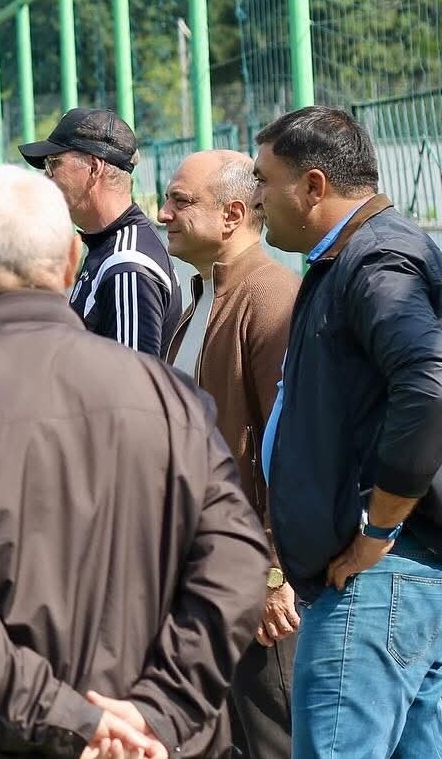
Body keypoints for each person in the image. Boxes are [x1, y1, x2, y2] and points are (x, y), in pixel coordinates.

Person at [0, 165, 270, 759]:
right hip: (153, 742)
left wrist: (72, 718)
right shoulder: (169, 396)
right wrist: (157, 711)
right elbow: (236, 562)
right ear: (68, 265)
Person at [254, 105, 442, 758]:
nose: (256, 198)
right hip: (394, 581)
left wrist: (378, 530)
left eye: (264, 179)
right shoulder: (352, 256)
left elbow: (428, 381)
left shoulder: (377, 257)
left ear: (313, 185)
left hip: (375, 582)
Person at [157, 150, 301, 759]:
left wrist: (273, 573)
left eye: (181, 201)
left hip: (257, 587)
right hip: (210, 577)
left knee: (274, 737)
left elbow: (290, 450)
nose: (162, 214)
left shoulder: (268, 299)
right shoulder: (203, 297)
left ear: (234, 214)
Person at [20, 108, 181, 356]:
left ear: (94, 168)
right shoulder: (109, 245)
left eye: (53, 164)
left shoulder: (127, 264)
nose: (46, 178)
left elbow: (130, 377)